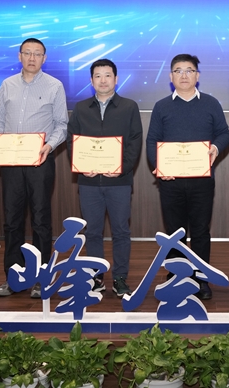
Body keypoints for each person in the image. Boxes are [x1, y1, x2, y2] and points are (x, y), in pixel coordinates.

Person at [0, 37, 68, 298]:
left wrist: (49, 146)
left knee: (41, 220)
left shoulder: (54, 86)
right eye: (27, 53)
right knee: (12, 220)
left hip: (39, 161)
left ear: (45, 58)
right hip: (10, 161)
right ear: (19, 56)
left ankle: (41, 278)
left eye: (37, 54)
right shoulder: (7, 85)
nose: (32, 58)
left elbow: (62, 125)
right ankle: (14, 277)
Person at [146, 54, 229, 300]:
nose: (184, 75)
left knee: (201, 230)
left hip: (201, 181)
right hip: (170, 181)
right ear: (171, 76)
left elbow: (224, 133)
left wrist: (215, 147)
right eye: (178, 70)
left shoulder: (211, 103)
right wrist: (159, 166)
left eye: (189, 70)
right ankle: (177, 276)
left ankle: (201, 278)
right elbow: (152, 140)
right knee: (175, 232)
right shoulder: (162, 106)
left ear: (197, 75)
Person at [66, 59, 142, 298]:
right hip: (89, 182)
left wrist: (122, 168)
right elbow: (72, 141)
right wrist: (81, 166)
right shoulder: (80, 108)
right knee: (92, 232)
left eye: (107, 75)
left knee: (121, 231)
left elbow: (135, 141)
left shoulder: (129, 107)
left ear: (116, 79)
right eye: (97, 76)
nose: (103, 80)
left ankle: (120, 278)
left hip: (119, 182)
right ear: (91, 81)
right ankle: (96, 277)